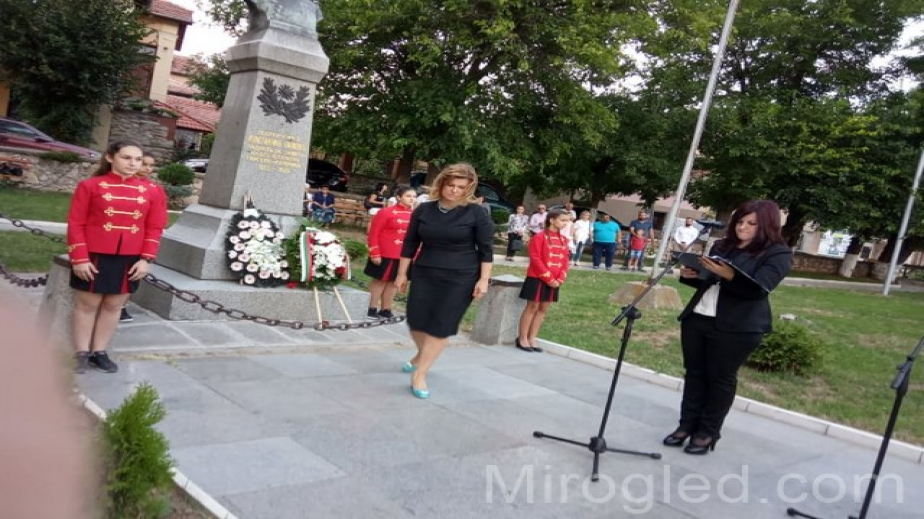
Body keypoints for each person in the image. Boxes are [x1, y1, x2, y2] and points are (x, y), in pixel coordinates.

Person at [664, 200, 792, 455]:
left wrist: (730, 275)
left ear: (767, 225)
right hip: (698, 318)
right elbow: (710, 281)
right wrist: (693, 276)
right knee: (694, 374)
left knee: (720, 379)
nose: (742, 227)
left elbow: (759, 289)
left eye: (751, 223)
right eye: (740, 222)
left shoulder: (777, 253)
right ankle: (686, 425)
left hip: (738, 327)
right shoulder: (723, 246)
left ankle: (707, 432)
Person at [67, 140, 168, 374]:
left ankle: (99, 352)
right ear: (110, 157)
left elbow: (155, 227)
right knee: (87, 304)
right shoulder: (90, 186)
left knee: (113, 305)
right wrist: (80, 258)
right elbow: (76, 223)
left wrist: (146, 259)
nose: (133, 164)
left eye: (138, 159)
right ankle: (81, 353)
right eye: (126, 158)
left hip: (131, 257)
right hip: (93, 254)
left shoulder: (153, 191)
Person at [395, 163, 494, 399]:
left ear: (469, 188)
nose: (455, 190)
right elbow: (410, 244)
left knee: (441, 324)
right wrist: (401, 274)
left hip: (461, 276)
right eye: (451, 185)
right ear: (441, 184)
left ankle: (420, 373)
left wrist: (484, 279)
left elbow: (486, 249)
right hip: (425, 271)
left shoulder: (476, 212)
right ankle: (422, 354)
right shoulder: (424, 209)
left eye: (461, 187)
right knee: (416, 321)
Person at [516, 208, 571, 353]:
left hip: (555, 280)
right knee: (532, 307)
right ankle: (522, 338)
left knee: (543, 309)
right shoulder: (539, 237)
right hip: (537, 278)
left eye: (567, 221)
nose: (565, 223)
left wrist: (560, 278)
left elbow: (565, 261)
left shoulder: (564, 240)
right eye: (563, 220)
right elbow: (535, 259)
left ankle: (532, 338)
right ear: (552, 220)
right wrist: (548, 278)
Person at [119, 151, 162, 323]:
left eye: (151, 165)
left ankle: (121, 306)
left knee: (129, 275)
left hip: (136, 240)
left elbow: (157, 221)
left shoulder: (154, 190)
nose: (147, 168)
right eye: (144, 164)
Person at [365, 185, 416, 319]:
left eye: (414, 196)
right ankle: (371, 307)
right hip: (385, 253)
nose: (412, 199)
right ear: (398, 197)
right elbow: (374, 233)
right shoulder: (385, 212)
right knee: (380, 281)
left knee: (395, 282)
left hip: (404, 256)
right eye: (408, 196)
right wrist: (375, 252)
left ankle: (386, 309)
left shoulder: (416, 216)